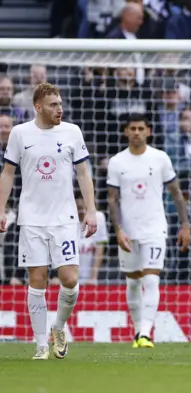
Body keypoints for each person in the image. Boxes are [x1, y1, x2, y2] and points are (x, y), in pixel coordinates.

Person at [0, 82, 98, 360]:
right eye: (54, 104)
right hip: (31, 219)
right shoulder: (20, 133)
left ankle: (59, 327)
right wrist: (1, 208)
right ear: (38, 107)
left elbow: (83, 173)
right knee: (37, 280)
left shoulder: (72, 132)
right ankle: (41, 345)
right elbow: (7, 173)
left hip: (64, 218)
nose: (60, 109)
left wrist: (90, 209)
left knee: (70, 279)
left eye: (61, 103)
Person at [107, 113, 191, 349]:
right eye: (132, 128)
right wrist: (118, 229)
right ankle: (137, 332)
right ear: (125, 132)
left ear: (148, 131)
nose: (136, 132)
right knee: (133, 283)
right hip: (128, 232)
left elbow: (175, 192)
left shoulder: (160, 158)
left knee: (151, 279)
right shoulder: (117, 162)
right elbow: (112, 199)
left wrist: (185, 225)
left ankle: (145, 332)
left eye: (140, 128)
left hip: (155, 228)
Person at [76, 193, 108, 285]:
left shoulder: (99, 218)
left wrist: (93, 277)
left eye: (83, 208)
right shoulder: (67, 220)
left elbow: (99, 250)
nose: (81, 211)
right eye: (78, 208)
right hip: (71, 276)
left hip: (89, 277)